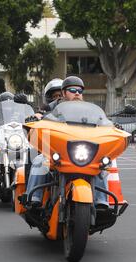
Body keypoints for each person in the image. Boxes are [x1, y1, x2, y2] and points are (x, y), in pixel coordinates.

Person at [25, 76, 109, 209]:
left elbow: (103, 121)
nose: (77, 93)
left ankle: (101, 201)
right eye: (72, 90)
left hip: (82, 150)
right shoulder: (53, 107)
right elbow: (41, 114)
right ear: (64, 93)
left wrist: (112, 125)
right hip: (59, 151)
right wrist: (36, 117)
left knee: (102, 165)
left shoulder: (89, 109)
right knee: (39, 161)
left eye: (80, 91)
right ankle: (34, 198)